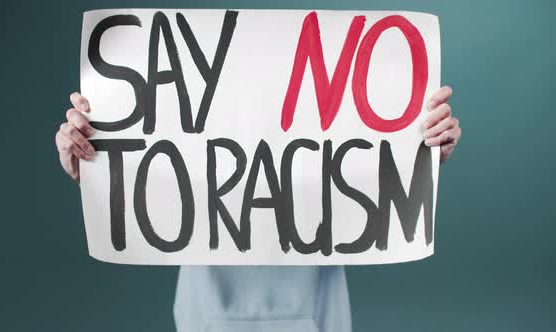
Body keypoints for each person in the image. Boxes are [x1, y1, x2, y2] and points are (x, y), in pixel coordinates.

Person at [56, 86, 461, 332]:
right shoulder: (196, 140)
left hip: (319, 312)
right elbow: (152, 178)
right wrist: (96, 161)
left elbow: (361, 169)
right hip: (206, 313)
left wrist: (418, 150)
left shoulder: (320, 129)